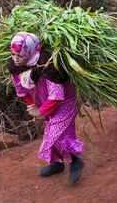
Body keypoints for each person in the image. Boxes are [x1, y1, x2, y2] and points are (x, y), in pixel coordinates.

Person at [8, 31, 84, 185]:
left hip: (65, 101)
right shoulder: (15, 67)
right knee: (50, 133)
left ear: (29, 52)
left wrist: (41, 112)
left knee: (57, 134)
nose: (15, 59)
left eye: (19, 56)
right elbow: (21, 90)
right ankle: (57, 163)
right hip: (44, 101)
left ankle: (76, 161)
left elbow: (57, 95)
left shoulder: (47, 64)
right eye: (13, 54)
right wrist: (33, 105)